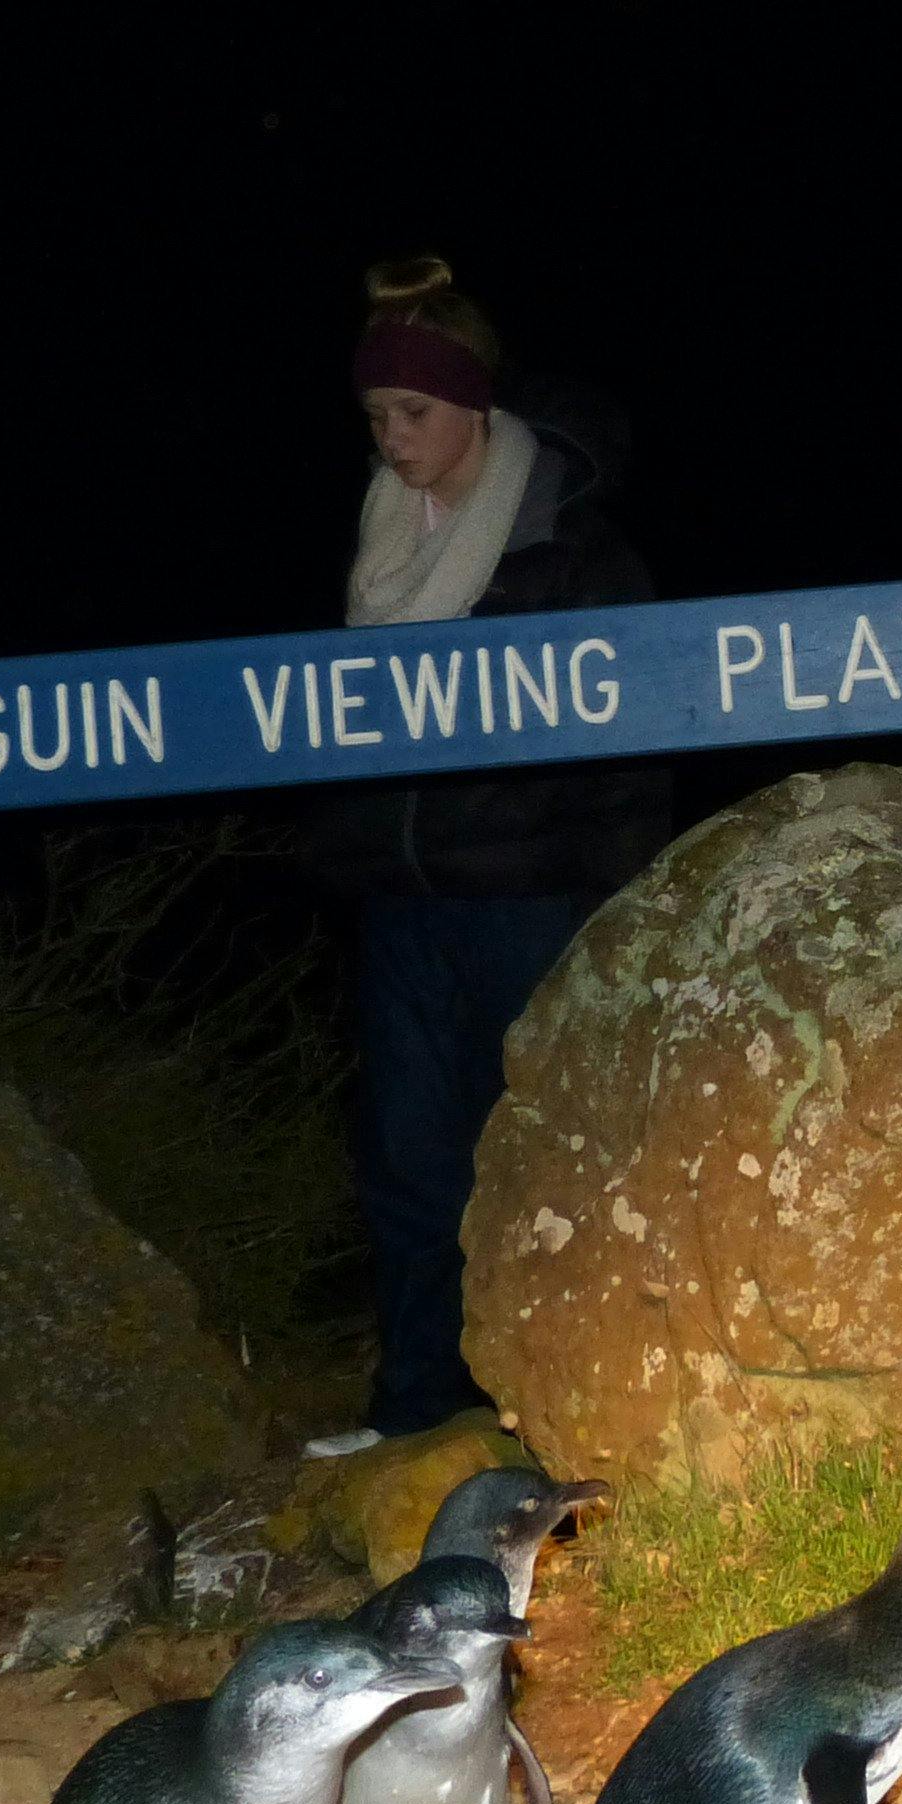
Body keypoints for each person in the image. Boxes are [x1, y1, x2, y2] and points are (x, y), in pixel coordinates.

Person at [299, 257, 675, 1449]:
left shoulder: (570, 547)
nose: (392, 439)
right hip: (401, 906)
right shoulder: (380, 547)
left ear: (473, 405)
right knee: (412, 1167)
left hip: (531, 904)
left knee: (553, 1161)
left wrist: (609, 908)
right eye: (374, 418)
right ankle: (418, 1414)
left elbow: (637, 749)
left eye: (412, 412)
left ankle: (580, 1416)